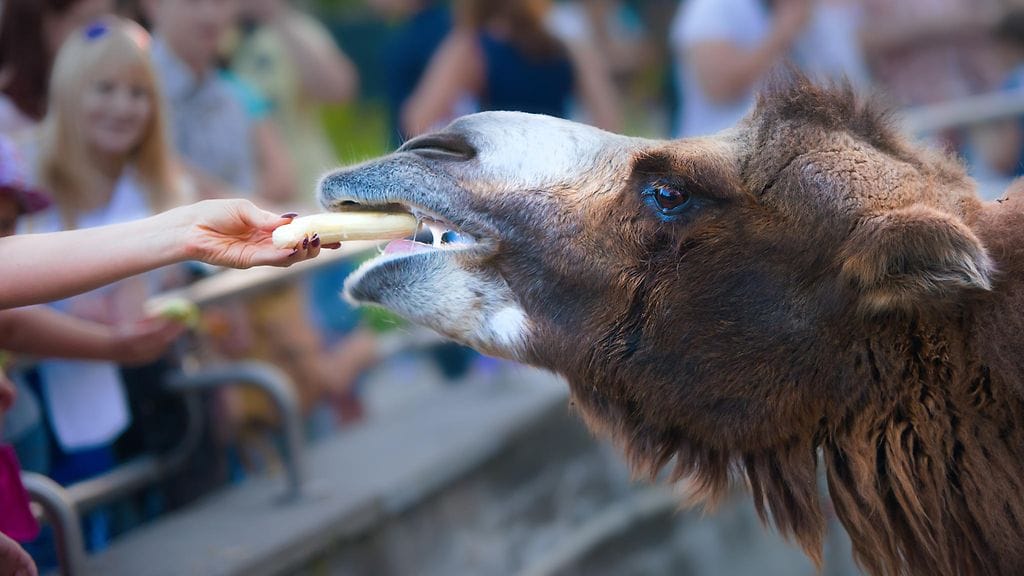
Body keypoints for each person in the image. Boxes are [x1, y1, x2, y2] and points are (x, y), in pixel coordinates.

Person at [402, 0, 622, 136]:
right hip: (557, 173)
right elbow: (608, 120)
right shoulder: (567, 44)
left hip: (498, 175)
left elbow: (417, 120)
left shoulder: (471, 47)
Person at [232, 0, 359, 201]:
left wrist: (276, 17)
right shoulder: (219, 34)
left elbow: (339, 91)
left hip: (306, 184)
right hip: (242, 190)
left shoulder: (298, 29)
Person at [669, 0, 814, 137]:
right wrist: (784, 28)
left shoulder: (796, 9)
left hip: (779, 149)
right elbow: (719, 87)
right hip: (718, 150)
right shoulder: (713, 6)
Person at [0, 0, 114, 134]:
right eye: (90, 21)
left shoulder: (110, 102)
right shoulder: (8, 115)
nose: (106, 36)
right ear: (47, 23)